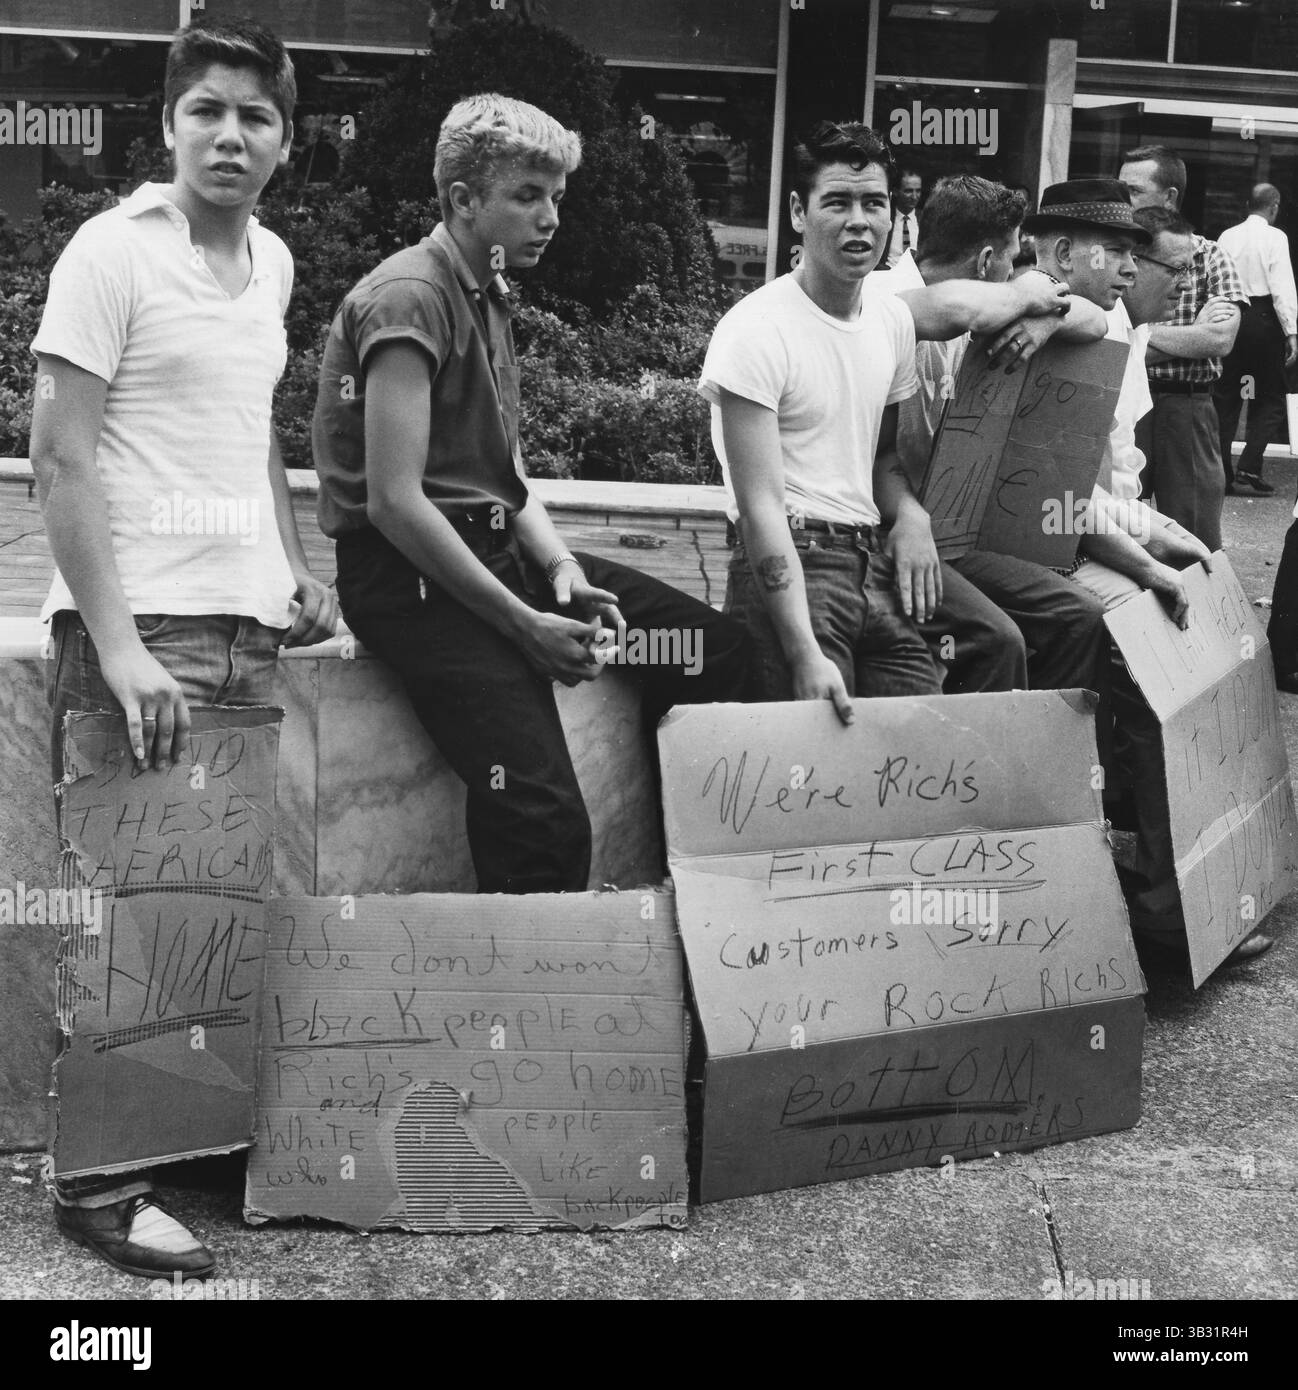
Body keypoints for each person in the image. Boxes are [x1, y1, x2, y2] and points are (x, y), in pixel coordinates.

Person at [29, 17, 338, 1278]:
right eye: (208, 109)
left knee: (208, 910)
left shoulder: (268, 263)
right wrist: (118, 647)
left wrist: (287, 559)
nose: (230, 134)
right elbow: (59, 455)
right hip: (139, 632)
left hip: (241, 626)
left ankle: (172, 1140)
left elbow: (249, 433)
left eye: (255, 117)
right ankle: (96, 1190)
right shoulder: (109, 252)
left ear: (282, 141)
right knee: (123, 913)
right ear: (168, 123)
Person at [314, 94, 750, 895]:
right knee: (541, 814)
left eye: (556, 197)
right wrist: (525, 626)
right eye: (527, 195)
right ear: (463, 199)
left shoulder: (489, 293)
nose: (550, 216)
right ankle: (521, 1012)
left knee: (718, 653)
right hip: (409, 580)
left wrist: (561, 575)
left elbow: (505, 477)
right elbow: (394, 502)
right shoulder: (409, 297)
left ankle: (701, 909)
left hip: (494, 548)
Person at [699, 122, 1073, 720]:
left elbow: (882, 460)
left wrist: (911, 516)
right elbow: (761, 507)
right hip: (796, 564)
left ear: (894, 218)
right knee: (812, 768)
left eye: (874, 203)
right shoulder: (755, 330)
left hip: (871, 558)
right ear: (798, 212)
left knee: (914, 745)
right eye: (837, 202)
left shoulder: (890, 320)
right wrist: (801, 649)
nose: (859, 221)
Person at [1029, 186, 1272, 967]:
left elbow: (1117, 486)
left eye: (1139, 254)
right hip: (1055, 550)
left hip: (1093, 533)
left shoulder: (1116, 336)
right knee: (1160, 659)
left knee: (1212, 615)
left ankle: (1210, 876)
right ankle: (1174, 905)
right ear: (1065, 254)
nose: (1132, 270)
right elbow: (1060, 501)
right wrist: (1148, 560)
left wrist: (1172, 541)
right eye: (1118, 253)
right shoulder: (1043, 331)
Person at [871, 174, 1112, 705]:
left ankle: (1047, 759)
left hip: (950, 532)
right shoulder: (887, 301)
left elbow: (1097, 320)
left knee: (1079, 616)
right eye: (1009, 258)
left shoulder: (992, 302)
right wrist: (1027, 296)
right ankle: (982, 774)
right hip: (885, 529)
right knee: (999, 639)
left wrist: (1045, 321)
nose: (1014, 271)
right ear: (985, 263)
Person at [1118, 144, 1246, 551]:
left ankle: (1197, 613)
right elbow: (1111, 340)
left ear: (1169, 196)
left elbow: (1219, 340)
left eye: (1134, 190)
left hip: (1185, 408)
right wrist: (1189, 337)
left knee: (1193, 535)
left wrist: (1138, 337)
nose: (1124, 199)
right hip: (1124, 402)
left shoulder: (1211, 257)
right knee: (1117, 525)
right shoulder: (1115, 256)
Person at [1214, 183, 1298, 494]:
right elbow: (1281, 289)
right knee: (1270, 397)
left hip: (1232, 315)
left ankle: (1222, 472)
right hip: (1264, 320)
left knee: (1227, 396)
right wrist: (1291, 332)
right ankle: (1249, 466)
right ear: (1273, 206)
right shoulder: (1276, 237)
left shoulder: (1227, 236)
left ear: (1247, 204)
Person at [882, 168, 923, 268]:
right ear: (896, 192)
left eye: (918, 191)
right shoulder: (885, 218)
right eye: (908, 191)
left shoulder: (925, 218)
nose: (914, 196)